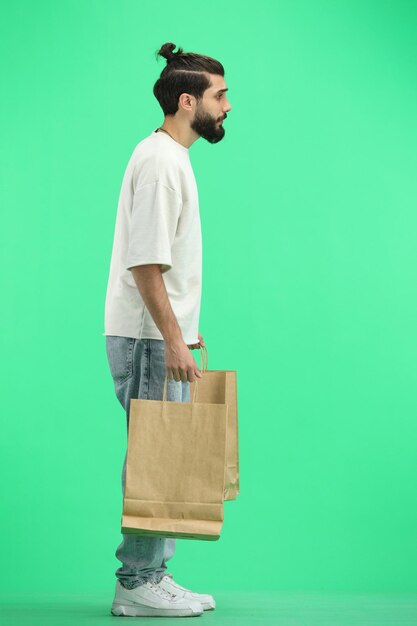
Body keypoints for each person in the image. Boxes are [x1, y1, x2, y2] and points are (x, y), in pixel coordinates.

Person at [103, 42, 232, 618]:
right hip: (148, 339)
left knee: (164, 453)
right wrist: (173, 338)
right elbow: (145, 262)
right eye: (219, 95)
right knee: (156, 454)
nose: (228, 106)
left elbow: (160, 264)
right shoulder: (159, 163)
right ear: (188, 102)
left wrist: (183, 330)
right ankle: (137, 582)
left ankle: (150, 574)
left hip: (158, 335)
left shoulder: (171, 158)